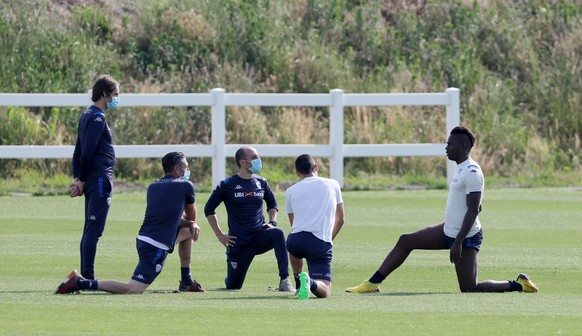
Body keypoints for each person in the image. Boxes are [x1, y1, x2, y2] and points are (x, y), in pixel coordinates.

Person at [345, 126, 539, 294]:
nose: (446, 148)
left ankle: (519, 285)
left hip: (466, 237)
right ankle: (372, 283)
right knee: (406, 241)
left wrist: (458, 243)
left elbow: (473, 211)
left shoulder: (472, 171)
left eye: (450, 144)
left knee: (469, 288)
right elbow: (476, 205)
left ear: (463, 146)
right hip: (448, 230)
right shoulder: (461, 167)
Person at [56, 152, 205, 294]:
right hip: (156, 246)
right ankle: (81, 282)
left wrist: (190, 224)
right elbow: (192, 217)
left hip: (143, 240)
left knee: (187, 232)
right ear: (177, 169)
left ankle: (186, 281)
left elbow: (171, 218)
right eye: (186, 167)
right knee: (132, 289)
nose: (188, 170)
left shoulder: (153, 186)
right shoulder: (186, 186)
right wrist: (192, 222)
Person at [204, 146, 294, 291]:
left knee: (278, 233)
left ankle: (285, 280)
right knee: (233, 286)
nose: (258, 160)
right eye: (254, 157)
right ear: (243, 162)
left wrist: (272, 222)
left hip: (259, 236)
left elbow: (272, 203)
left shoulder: (261, 182)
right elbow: (208, 209)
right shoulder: (227, 185)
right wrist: (220, 235)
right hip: (239, 243)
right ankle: (231, 274)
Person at [69, 74, 119, 280]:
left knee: (90, 228)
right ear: (105, 94)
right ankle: (87, 278)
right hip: (99, 179)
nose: (117, 98)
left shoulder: (86, 115)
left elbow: (77, 152)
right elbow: (87, 151)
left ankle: (86, 275)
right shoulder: (98, 117)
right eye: (115, 94)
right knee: (93, 230)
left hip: (92, 179)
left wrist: (79, 178)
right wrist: (80, 179)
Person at [285, 154, 344, 298]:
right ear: (316, 167)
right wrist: (327, 239)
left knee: (295, 248)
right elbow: (341, 219)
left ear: (298, 173)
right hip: (319, 242)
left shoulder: (290, 191)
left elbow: (294, 223)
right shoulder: (333, 184)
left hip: (294, 241)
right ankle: (309, 282)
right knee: (325, 291)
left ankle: (299, 284)